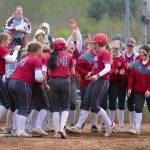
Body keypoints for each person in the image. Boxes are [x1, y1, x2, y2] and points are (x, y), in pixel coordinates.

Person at [67, 33, 115, 137]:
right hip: (95, 80)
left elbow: (107, 68)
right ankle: (79, 127)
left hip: (102, 81)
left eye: (96, 43)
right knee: (86, 102)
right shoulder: (97, 54)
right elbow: (95, 68)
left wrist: (97, 76)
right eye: (93, 43)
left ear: (102, 43)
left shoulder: (105, 53)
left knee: (95, 105)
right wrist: (90, 74)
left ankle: (110, 124)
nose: (93, 45)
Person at [8, 41, 43, 137]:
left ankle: (16, 130)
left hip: (11, 82)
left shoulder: (25, 57)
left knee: (19, 107)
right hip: (22, 83)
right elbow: (38, 78)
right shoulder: (36, 59)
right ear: (38, 50)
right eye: (41, 49)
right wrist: (44, 80)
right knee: (25, 107)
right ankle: (20, 131)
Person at [48, 38, 74, 139]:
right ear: (64, 46)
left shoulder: (50, 56)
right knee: (65, 106)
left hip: (53, 81)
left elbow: (49, 72)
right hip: (65, 81)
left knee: (55, 108)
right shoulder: (69, 56)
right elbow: (72, 72)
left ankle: (55, 132)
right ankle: (62, 128)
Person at [128, 45, 150, 134]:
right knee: (138, 109)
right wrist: (129, 88)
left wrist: (149, 90)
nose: (142, 55)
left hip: (149, 91)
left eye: (144, 54)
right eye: (140, 53)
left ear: (149, 53)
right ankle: (137, 129)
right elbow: (131, 78)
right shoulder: (136, 64)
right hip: (138, 91)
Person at [0, 32, 20, 130]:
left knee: (2, 102)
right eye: (8, 40)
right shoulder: (1, 48)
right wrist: (16, 51)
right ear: (3, 40)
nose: (9, 41)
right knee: (6, 102)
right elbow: (12, 59)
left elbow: (6, 60)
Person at [108, 40, 127, 131]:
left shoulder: (122, 59)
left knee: (115, 103)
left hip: (116, 83)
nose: (114, 50)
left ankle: (116, 124)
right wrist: (116, 71)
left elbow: (123, 72)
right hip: (106, 81)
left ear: (119, 49)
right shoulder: (107, 57)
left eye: (116, 48)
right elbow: (109, 70)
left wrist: (119, 72)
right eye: (113, 48)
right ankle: (107, 123)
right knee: (105, 103)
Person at [122, 38, 139, 132]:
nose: (129, 47)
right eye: (128, 45)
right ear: (126, 45)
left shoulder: (137, 55)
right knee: (122, 102)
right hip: (123, 80)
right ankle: (123, 125)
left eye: (131, 46)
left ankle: (132, 125)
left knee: (131, 103)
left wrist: (132, 67)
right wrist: (125, 67)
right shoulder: (123, 54)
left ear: (134, 46)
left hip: (133, 81)